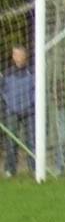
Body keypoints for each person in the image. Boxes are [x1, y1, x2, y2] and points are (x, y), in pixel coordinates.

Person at [2, 46, 35, 176]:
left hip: (29, 111)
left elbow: (36, 90)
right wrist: (8, 104)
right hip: (12, 112)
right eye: (17, 55)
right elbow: (2, 92)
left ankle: (34, 168)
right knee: (11, 141)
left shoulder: (32, 72)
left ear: (25, 56)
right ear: (13, 57)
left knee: (32, 141)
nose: (20, 57)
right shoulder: (7, 74)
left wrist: (31, 103)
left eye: (22, 55)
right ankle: (10, 169)